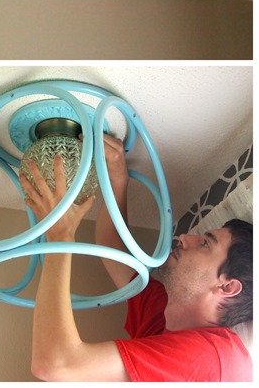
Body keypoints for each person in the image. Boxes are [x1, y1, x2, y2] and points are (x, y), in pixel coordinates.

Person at [19, 133, 253, 382]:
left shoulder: (217, 358)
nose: (185, 237)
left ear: (227, 286)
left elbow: (56, 365)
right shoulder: (163, 311)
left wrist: (61, 236)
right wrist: (118, 179)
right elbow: (113, 250)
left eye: (205, 243)